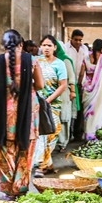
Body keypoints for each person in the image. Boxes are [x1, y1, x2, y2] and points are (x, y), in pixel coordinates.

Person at [0, 30, 43, 198]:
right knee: (25, 152)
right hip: (28, 114)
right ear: (21, 44)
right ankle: (20, 188)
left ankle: (8, 191)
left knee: (4, 153)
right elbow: (40, 85)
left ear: (2, 46)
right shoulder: (31, 60)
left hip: (4, 115)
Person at [32, 35, 67, 175]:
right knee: (41, 134)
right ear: (40, 47)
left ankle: (43, 163)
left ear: (55, 48)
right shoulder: (36, 62)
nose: (46, 48)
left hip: (53, 104)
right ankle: (43, 165)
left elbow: (63, 85)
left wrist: (49, 99)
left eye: (49, 45)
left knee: (52, 133)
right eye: (44, 45)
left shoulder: (60, 64)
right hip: (38, 104)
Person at [79, 38, 102, 140]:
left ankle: (88, 134)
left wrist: (79, 85)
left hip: (88, 88)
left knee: (89, 113)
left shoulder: (86, 58)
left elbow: (81, 74)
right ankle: (98, 134)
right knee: (99, 112)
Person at [52, 39, 78, 151]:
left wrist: (72, 91)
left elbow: (71, 77)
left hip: (63, 92)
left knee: (63, 118)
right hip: (51, 92)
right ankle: (53, 142)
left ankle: (62, 143)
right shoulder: (47, 61)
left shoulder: (65, 60)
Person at [65, 29, 89, 140]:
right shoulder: (66, 48)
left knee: (81, 108)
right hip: (69, 83)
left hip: (82, 83)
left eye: (80, 40)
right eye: (76, 40)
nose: (78, 42)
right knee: (70, 108)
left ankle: (78, 133)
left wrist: (81, 82)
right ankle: (69, 134)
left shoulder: (85, 49)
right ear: (71, 38)